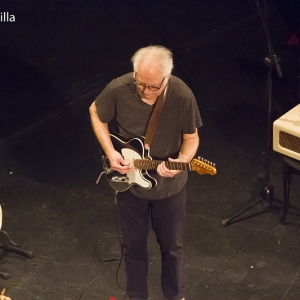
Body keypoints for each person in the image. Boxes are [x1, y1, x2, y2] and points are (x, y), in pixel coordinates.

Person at [89, 45, 202, 300]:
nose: (146, 92)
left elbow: (192, 138)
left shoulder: (182, 95)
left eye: (153, 87)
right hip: (131, 185)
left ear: (167, 78)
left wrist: (182, 160)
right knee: (133, 247)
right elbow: (95, 112)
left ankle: (175, 296)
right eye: (141, 84)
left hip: (170, 189)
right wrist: (110, 151)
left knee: (172, 248)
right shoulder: (119, 88)